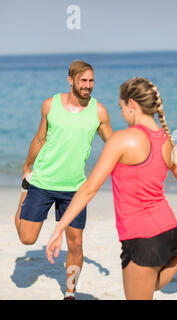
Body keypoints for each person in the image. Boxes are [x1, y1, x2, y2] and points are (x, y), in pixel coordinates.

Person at [46, 77, 177, 300]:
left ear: (132, 104)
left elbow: (89, 189)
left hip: (141, 236)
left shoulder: (122, 139)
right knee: (154, 283)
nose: (121, 113)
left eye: (121, 107)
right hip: (167, 231)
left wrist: (59, 227)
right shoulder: (166, 141)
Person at [14, 60, 113, 300]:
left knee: (76, 243)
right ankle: (23, 197)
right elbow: (39, 139)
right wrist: (28, 166)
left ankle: (70, 292)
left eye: (91, 81)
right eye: (83, 81)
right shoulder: (51, 105)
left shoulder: (98, 111)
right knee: (27, 238)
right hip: (41, 183)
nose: (88, 86)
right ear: (71, 80)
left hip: (75, 189)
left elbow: (113, 145)